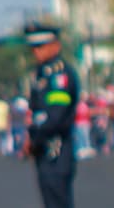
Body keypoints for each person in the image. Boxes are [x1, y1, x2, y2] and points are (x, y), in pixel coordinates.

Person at [22, 23, 79, 208]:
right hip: (43, 150)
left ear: (55, 45)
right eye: (33, 48)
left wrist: (34, 136)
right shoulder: (41, 74)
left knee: (58, 201)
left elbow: (55, 116)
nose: (35, 52)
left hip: (56, 148)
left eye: (40, 47)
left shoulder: (58, 75)